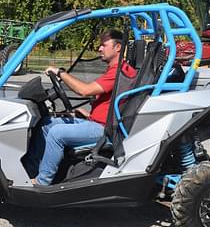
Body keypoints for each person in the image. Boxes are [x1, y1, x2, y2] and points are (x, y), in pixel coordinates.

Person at [28, 28, 136, 186]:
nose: (99, 48)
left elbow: (84, 90)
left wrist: (60, 73)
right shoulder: (114, 70)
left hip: (104, 130)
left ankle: (42, 181)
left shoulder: (120, 72)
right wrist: (87, 115)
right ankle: (31, 171)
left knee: (56, 133)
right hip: (97, 122)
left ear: (117, 47)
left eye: (103, 45)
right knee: (47, 124)